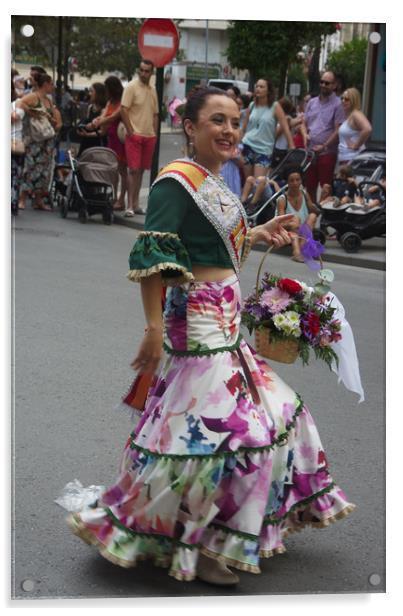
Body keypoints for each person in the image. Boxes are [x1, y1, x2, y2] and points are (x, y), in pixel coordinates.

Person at [65, 87, 355, 586]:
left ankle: (219, 528)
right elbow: (153, 258)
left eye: (235, 121)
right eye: (216, 120)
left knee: (281, 415)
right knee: (230, 437)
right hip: (196, 327)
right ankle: (198, 543)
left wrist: (261, 233)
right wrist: (154, 329)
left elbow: (212, 246)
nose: (228, 130)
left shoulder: (219, 179)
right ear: (191, 127)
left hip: (226, 324)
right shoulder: (174, 183)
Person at [120, 59, 159, 216]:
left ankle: (135, 204)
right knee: (133, 170)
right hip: (134, 135)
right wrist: (130, 131)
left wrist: (154, 133)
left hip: (148, 135)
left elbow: (156, 114)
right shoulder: (131, 87)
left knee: (141, 171)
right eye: (141, 70)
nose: (143, 73)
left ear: (151, 72)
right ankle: (129, 205)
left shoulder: (153, 89)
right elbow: (123, 109)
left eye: (146, 71)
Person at [18, 73, 59, 211]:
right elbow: (20, 103)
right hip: (35, 140)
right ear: (45, 84)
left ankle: (38, 199)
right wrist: (32, 112)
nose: (53, 86)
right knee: (30, 168)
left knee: (44, 171)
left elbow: (52, 115)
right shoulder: (34, 96)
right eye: (51, 83)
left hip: (47, 140)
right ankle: (22, 198)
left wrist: (51, 119)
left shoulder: (48, 100)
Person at [241, 77, 294, 178]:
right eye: (257, 86)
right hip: (248, 146)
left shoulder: (275, 106)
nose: (258, 89)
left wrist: (291, 145)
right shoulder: (252, 105)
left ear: (268, 91)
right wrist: (236, 143)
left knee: (259, 183)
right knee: (248, 181)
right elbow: (243, 128)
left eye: (261, 87)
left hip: (264, 150)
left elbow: (285, 126)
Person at [304, 71, 345, 201]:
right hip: (310, 151)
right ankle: (312, 215)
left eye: (327, 83)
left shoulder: (338, 104)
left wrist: (324, 145)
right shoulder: (311, 102)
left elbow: (338, 130)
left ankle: (324, 216)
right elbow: (303, 123)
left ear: (334, 85)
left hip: (327, 152)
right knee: (309, 186)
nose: (323, 85)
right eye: (321, 82)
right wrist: (305, 134)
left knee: (326, 187)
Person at [90, 75, 127, 210]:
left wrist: (97, 123)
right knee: (113, 171)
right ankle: (114, 197)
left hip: (120, 138)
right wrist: (97, 121)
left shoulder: (122, 102)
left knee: (122, 170)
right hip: (111, 138)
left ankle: (122, 199)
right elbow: (104, 115)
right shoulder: (110, 102)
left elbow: (111, 117)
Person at [276, 167, 319, 262]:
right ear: (287, 182)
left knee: (312, 216)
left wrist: (322, 200)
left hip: (302, 231)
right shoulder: (282, 199)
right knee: (295, 219)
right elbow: (280, 222)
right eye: (291, 180)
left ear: (301, 181)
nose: (295, 183)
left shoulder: (304, 194)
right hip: (286, 230)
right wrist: (292, 224)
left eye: (297, 180)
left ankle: (302, 248)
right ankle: (296, 252)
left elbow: (314, 210)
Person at [338, 88, 372, 165]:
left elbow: (367, 129)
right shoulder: (349, 115)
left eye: (346, 99)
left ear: (353, 101)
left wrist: (356, 145)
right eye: (342, 98)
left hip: (352, 159)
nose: (343, 101)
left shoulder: (356, 114)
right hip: (346, 158)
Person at [77, 82, 107, 157]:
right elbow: (87, 121)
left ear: (98, 93)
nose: (89, 94)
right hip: (86, 142)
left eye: (91, 91)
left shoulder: (104, 110)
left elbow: (103, 132)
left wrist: (88, 134)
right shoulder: (90, 107)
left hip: (97, 144)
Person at [11, 79, 25, 216]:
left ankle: (12, 203)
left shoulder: (18, 103)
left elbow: (14, 117)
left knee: (13, 175)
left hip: (13, 143)